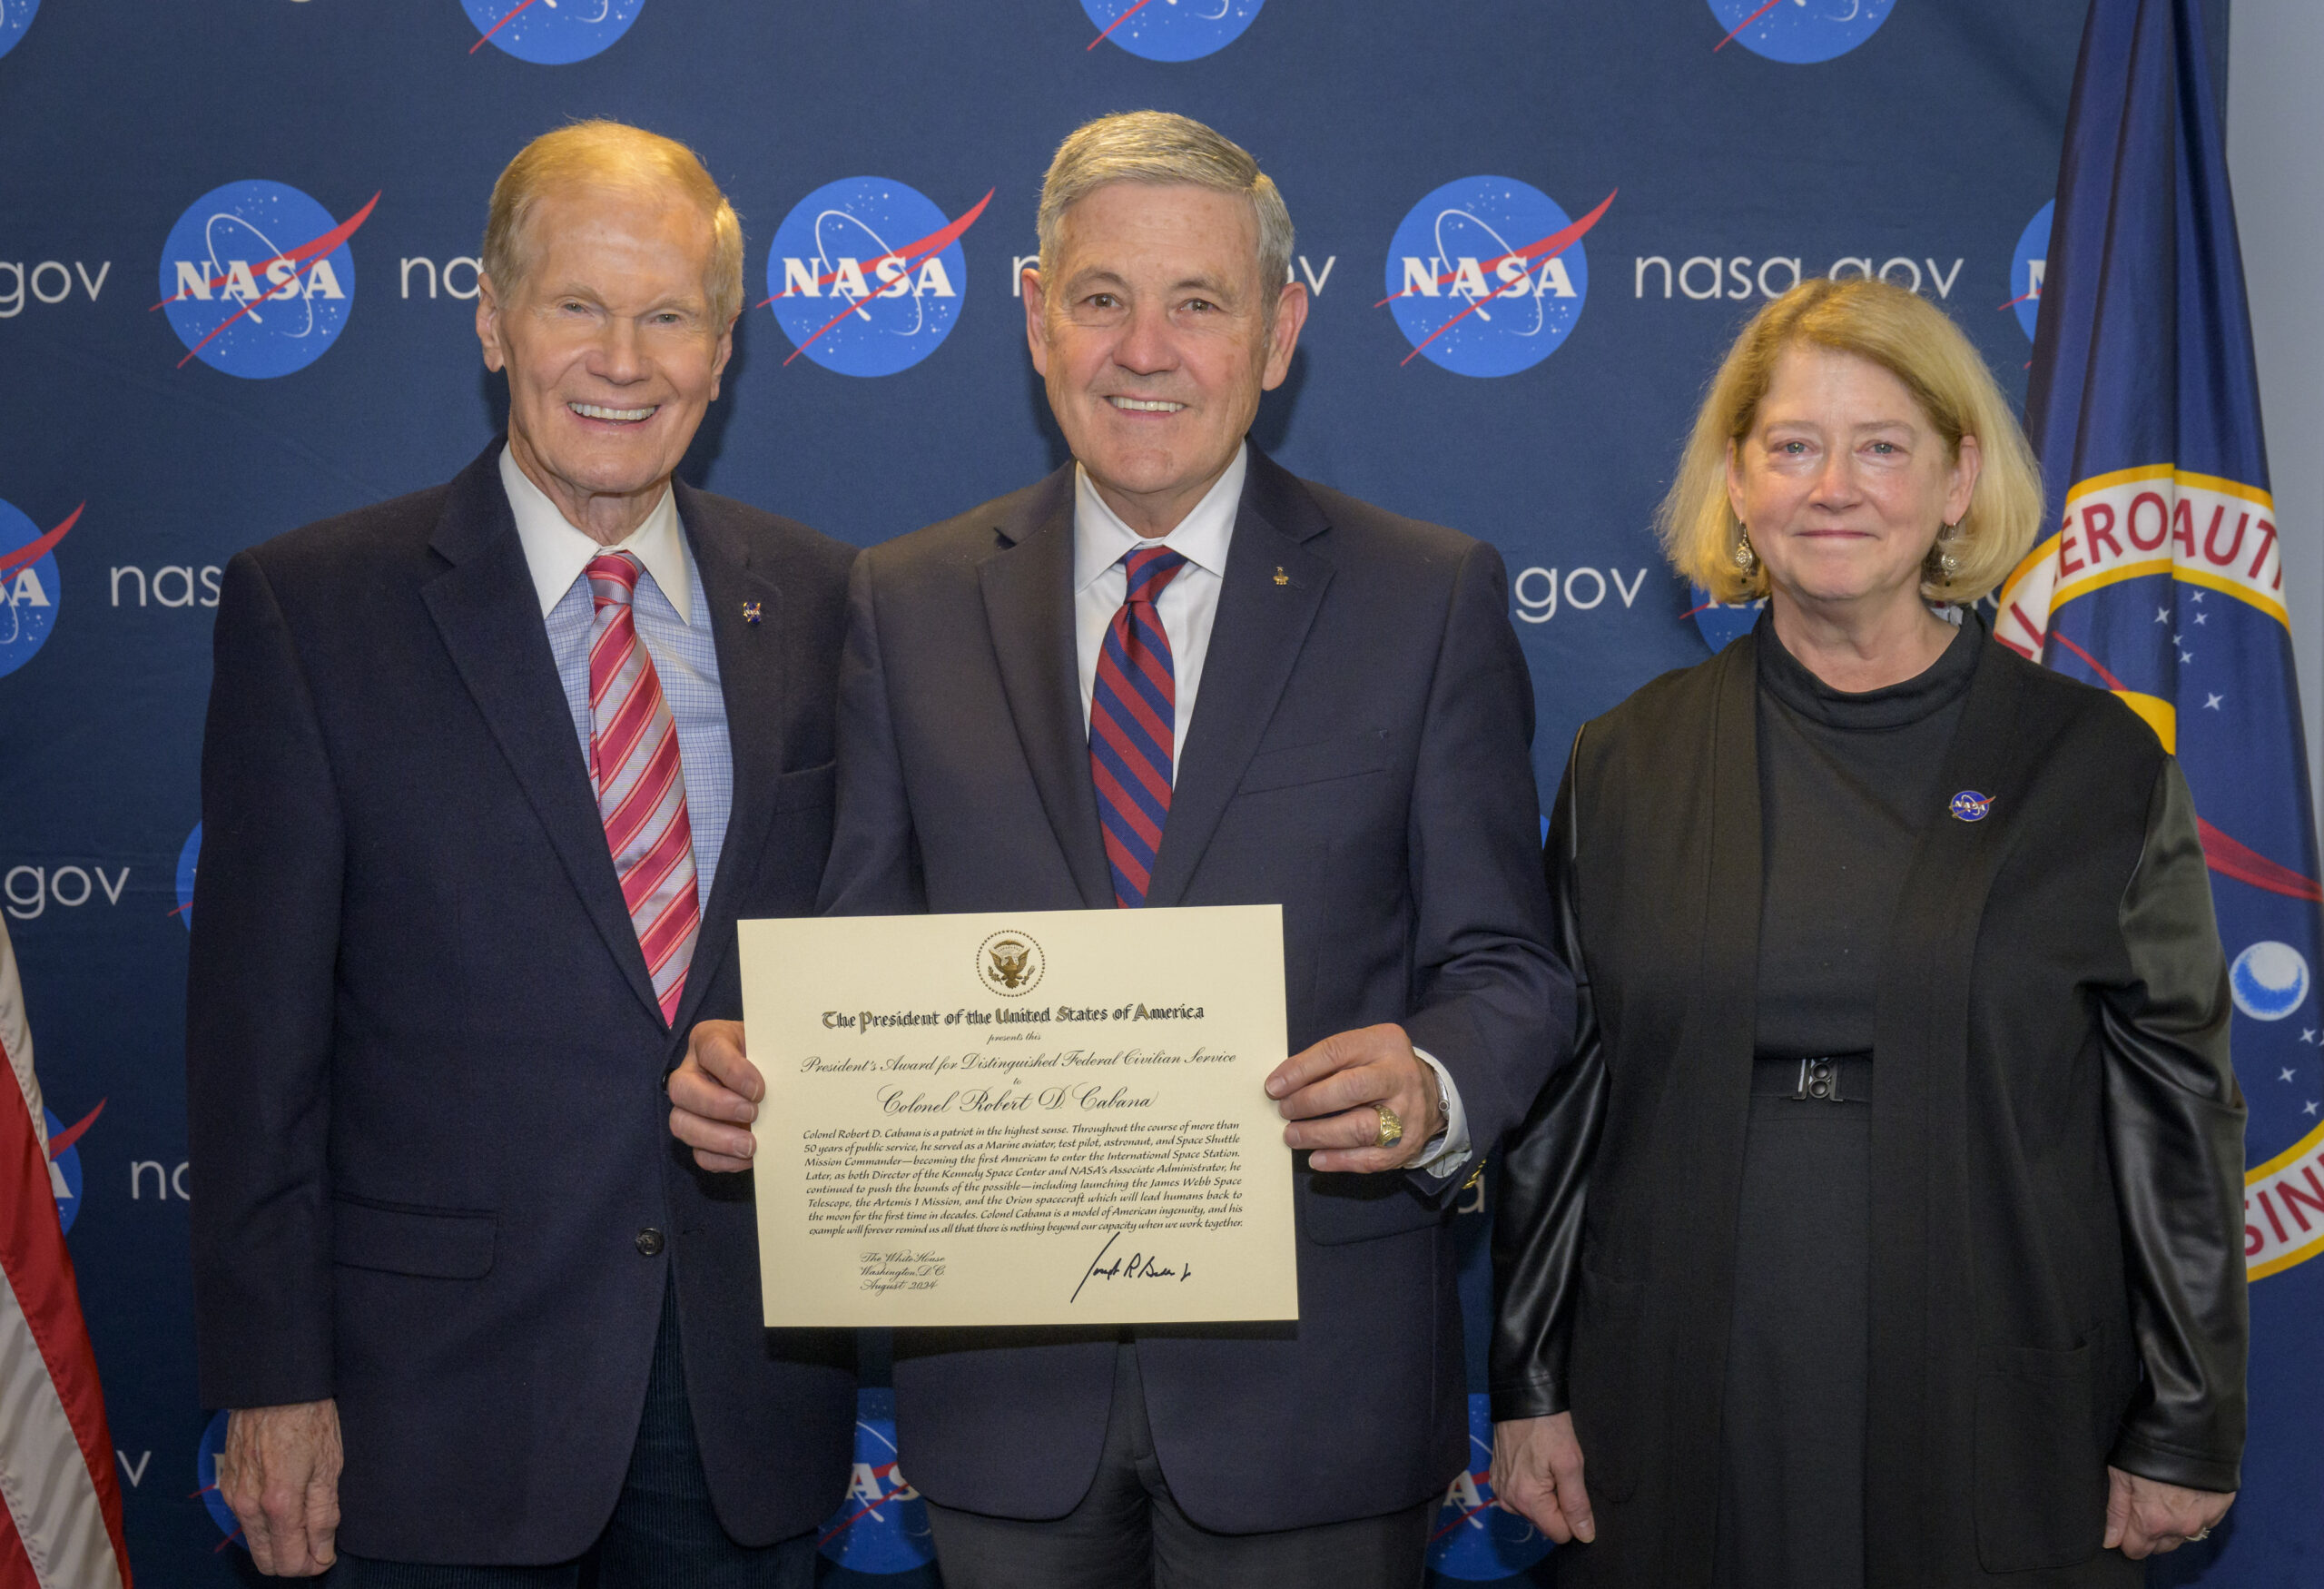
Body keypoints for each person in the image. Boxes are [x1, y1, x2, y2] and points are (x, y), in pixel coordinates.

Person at [667, 111, 1566, 1587]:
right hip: (1006, 1401)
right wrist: (778, 1073)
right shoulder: (907, 601)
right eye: (1101, 298)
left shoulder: (1425, 597)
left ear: (1278, 334)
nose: (1143, 348)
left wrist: (1435, 1077)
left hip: (1315, 1404)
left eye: (1198, 303)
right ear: (1035, 318)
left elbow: (1513, 966)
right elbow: (865, 950)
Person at [1487, 276, 2248, 1587]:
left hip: (2005, 1403)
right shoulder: (1628, 763)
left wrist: (2186, 1415)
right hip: (1670, 1402)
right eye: (1793, 445)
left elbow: (2176, 1110)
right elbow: (1560, 1100)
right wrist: (1527, 1380)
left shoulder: (2095, 766)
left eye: (1881, 446)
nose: (1833, 485)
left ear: (1960, 480)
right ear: (1738, 478)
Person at [185, 121, 858, 1584]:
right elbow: (254, 1053)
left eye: (668, 313)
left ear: (725, 347)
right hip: (427, 1411)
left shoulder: (823, 599)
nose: (622, 357)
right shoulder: (315, 612)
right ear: (494, 322)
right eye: (576, 305)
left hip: (740, 1404)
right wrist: (273, 1377)